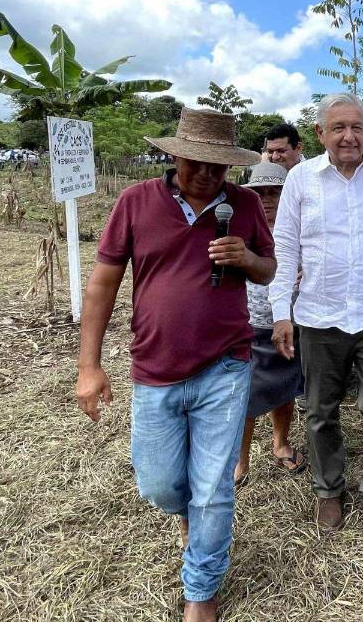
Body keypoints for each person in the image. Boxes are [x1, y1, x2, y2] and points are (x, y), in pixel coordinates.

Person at [73, 108, 273, 622]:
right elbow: (102, 284)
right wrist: (89, 366)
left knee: (213, 488)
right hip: (155, 367)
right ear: (175, 156)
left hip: (226, 365)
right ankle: (187, 516)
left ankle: (200, 591)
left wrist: (247, 259)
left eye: (218, 166)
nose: (206, 175)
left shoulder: (246, 205)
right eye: (195, 163)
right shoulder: (136, 201)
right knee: (160, 484)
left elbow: (268, 269)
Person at [269, 92, 363, 548]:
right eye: (338, 128)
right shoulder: (301, 180)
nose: (349, 136)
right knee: (320, 410)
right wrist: (281, 312)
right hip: (320, 313)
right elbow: (286, 248)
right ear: (320, 133)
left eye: (357, 127)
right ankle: (329, 488)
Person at [232, 162, 307, 486]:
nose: (266, 199)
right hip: (250, 323)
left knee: (284, 387)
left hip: (291, 321)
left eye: (274, 192)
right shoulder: (240, 228)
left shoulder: (300, 227)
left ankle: (280, 443)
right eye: (259, 192)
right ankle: (240, 459)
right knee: (246, 395)